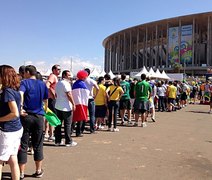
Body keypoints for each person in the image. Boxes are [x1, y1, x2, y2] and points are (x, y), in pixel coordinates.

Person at [18, 65, 48, 179]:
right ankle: (38, 170)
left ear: (27, 72)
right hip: (39, 116)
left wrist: (20, 107)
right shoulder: (42, 84)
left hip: (26, 116)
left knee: (23, 144)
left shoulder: (24, 83)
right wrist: (44, 111)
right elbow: (46, 100)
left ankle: (21, 172)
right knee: (38, 144)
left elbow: (20, 93)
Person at [0, 65, 23, 180]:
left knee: (1, 160)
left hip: (8, 130)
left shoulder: (7, 92)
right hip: (16, 128)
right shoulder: (15, 90)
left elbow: (14, 112)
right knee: (13, 158)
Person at [55, 70, 77, 147]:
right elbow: (69, 94)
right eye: (68, 75)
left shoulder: (58, 83)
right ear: (64, 75)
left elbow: (56, 94)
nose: (70, 77)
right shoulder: (66, 83)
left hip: (58, 105)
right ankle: (68, 141)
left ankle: (58, 141)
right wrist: (73, 103)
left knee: (58, 124)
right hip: (66, 107)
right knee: (68, 124)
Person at [45, 64, 61, 141]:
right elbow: (47, 85)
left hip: (51, 99)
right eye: (58, 69)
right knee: (52, 116)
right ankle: (51, 134)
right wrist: (53, 94)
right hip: (51, 99)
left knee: (49, 116)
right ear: (54, 70)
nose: (59, 71)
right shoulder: (53, 76)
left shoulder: (55, 77)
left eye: (60, 69)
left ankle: (47, 133)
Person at [72, 70, 89, 137]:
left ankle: (71, 130)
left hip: (75, 102)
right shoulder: (82, 84)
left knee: (74, 118)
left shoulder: (75, 83)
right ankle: (78, 132)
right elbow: (86, 93)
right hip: (81, 103)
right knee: (81, 118)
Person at [84, 68, 99, 134]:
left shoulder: (82, 81)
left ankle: (81, 128)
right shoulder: (92, 81)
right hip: (91, 98)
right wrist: (95, 95)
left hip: (84, 99)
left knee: (84, 114)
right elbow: (97, 88)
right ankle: (92, 129)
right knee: (92, 115)